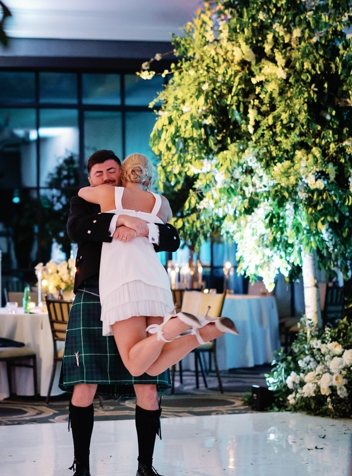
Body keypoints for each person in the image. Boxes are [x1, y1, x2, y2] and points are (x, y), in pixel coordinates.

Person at [57, 150, 225, 476]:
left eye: (111, 171)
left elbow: (172, 238)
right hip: (94, 295)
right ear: (91, 178)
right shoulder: (87, 204)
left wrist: (143, 227)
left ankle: (146, 470)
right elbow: (74, 230)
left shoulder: (142, 202)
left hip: (137, 293)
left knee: (147, 386)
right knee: (84, 387)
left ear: (121, 174)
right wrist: (117, 222)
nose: (105, 176)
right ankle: (82, 471)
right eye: (99, 172)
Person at [76, 152, 236, 378]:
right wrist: (137, 221)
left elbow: (82, 192)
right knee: (151, 367)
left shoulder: (108, 193)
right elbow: (167, 230)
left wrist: (121, 217)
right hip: (155, 280)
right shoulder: (161, 203)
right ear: (149, 179)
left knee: (134, 365)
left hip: (123, 278)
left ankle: (174, 327)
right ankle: (201, 335)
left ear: (122, 175)